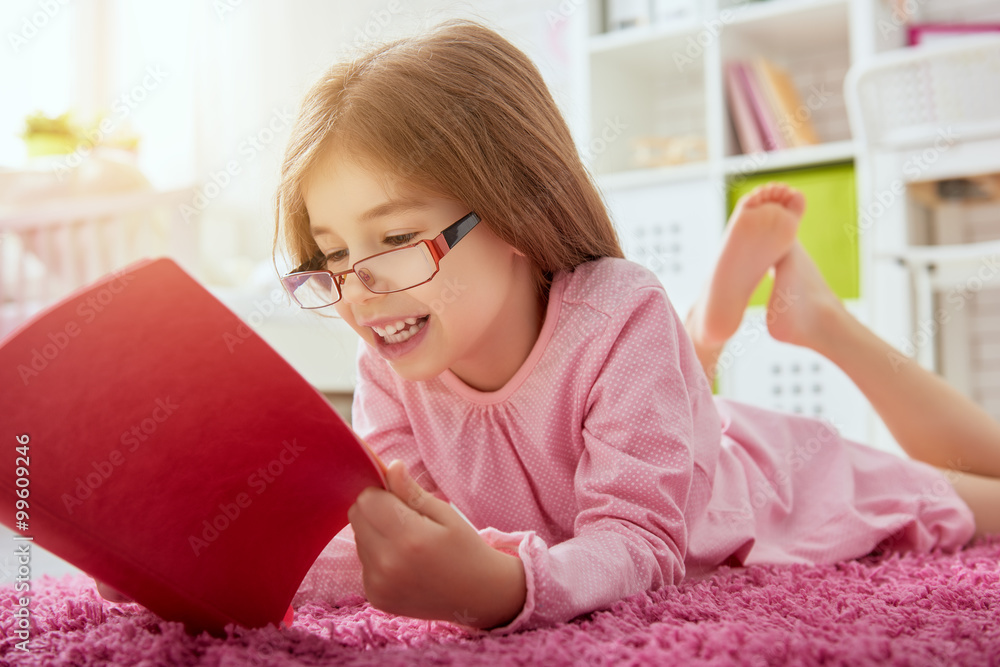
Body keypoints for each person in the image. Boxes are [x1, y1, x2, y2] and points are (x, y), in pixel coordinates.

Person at [101, 18, 1000, 631]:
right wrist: (187, 564)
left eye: (395, 239)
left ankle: (819, 324)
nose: (360, 288)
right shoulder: (389, 364)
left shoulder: (616, 309)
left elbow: (644, 546)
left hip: (770, 485)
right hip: (671, 423)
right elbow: (402, 543)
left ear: (520, 218)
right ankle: (703, 351)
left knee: (975, 493)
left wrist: (506, 588)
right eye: (330, 255)